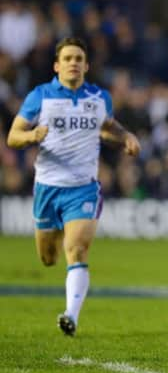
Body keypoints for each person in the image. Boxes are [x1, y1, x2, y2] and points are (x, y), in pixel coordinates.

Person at [6, 37, 140, 335]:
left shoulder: (99, 97)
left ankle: (71, 316)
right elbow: (13, 136)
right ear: (57, 66)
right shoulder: (40, 96)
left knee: (77, 250)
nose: (73, 63)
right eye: (67, 58)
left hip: (83, 187)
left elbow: (107, 126)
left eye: (79, 58)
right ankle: (62, 284)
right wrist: (31, 137)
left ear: (86, 65)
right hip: (48, 187)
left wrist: (125, 136)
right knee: (48, 257)